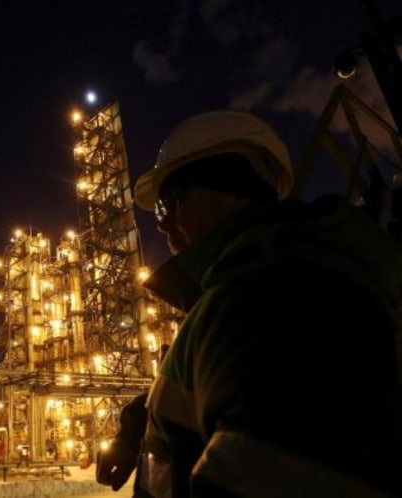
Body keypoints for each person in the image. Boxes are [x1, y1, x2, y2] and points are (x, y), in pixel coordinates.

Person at [96, 109, 402, 497]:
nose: (160, 224)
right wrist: (137, 427)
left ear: (234, 186)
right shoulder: (237, 295)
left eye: (169, 202)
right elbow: (216, 387)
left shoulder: (279, 296)